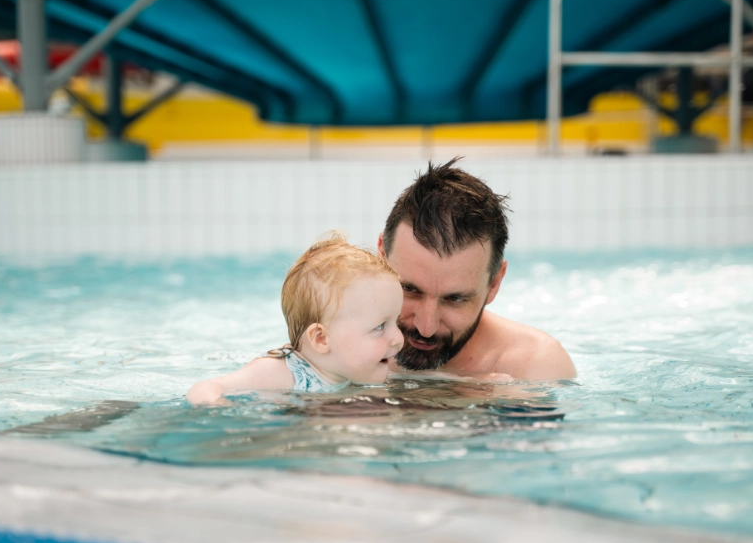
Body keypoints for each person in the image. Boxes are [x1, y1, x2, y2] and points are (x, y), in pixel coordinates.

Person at [378, 159, 576, 381]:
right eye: (409, 289)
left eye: (455, 299)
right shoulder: (337, 339)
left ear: (494, 283)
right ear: (381, 256)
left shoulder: (529, 369)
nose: (426, 328)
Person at [186, 234, 404, 404]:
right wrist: (219, 410)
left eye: (396, 321)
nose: (398, 338)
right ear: (321, 339)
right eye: (380, 326)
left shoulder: (347, 369)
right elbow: (205, 388)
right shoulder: (281, 374)